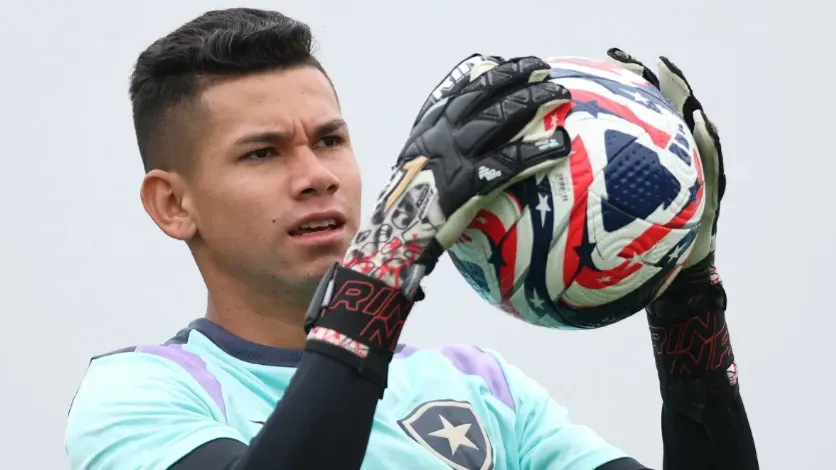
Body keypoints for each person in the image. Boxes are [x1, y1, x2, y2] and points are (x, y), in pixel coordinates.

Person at [64, 8, 759, 470]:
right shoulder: (139, 395)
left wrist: (687, 297)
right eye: (262, 153)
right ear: (173, 204)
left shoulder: (481, 389)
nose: (316, 176)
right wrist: (389, 254)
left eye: (330, 140)